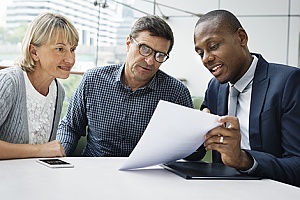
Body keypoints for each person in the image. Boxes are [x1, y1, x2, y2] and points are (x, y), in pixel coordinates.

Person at [190, 9, 300, 187]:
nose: (206, 59)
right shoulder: (214, 87)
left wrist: (244, 159)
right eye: (200, 52)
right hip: (219, 190)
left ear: (241, 38)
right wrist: (191, 133)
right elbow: (196, 154)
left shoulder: (289, 82)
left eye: (213, 46)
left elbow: (297, 165)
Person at [57, 15, 194, 157]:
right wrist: (59, 155)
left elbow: (191, 150)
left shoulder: (176, 93)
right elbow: (70, 127)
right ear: (129, 43)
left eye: (159, 55)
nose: (149, 61)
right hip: (94, 170)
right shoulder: (93, 80)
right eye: (145, 49)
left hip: (147, 174)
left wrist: (200, 136)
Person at [0, 12, 79, 159]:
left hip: (33, 177)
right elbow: (44, 150)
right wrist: (40, 150)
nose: (70, 59)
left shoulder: (58, 91)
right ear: (34, 52)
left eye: (72, 49)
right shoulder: (10, 83)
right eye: (60, 49)